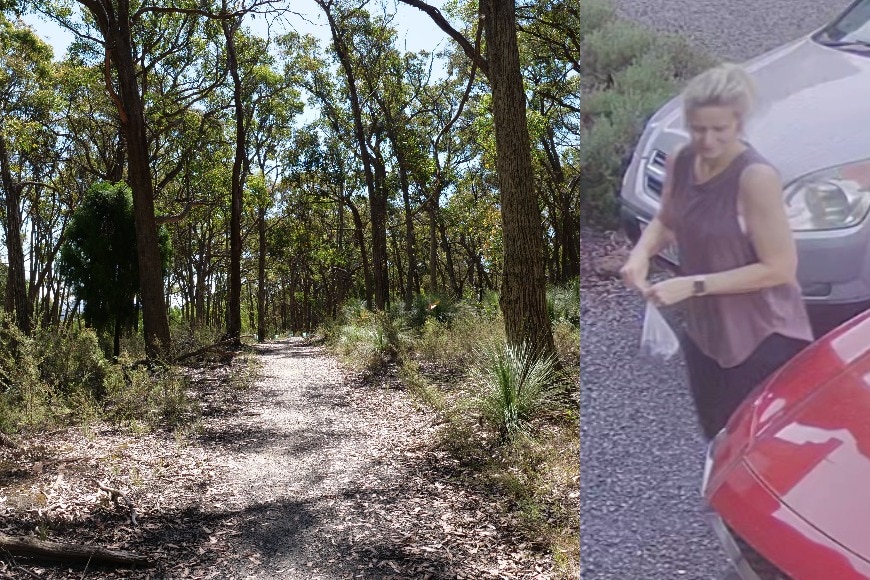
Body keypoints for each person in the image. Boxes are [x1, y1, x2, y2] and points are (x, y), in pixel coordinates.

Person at [620, 62, 814, 441]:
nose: (707, 141)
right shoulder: (682, 159)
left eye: (719, 130)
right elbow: (668, 219)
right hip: (706, 330)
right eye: (697, 129)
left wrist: (692, 285)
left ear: (739, 124)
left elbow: (780, 268)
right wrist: (641, 254)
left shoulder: (756, 178)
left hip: (762, 335)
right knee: (717, 433)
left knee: (759, 440)